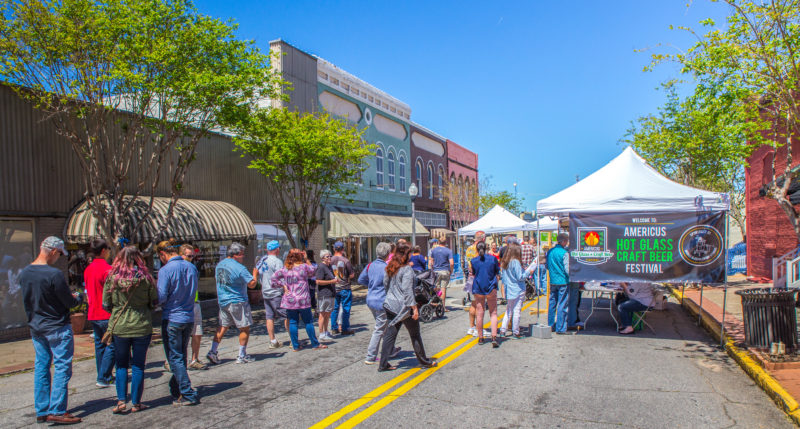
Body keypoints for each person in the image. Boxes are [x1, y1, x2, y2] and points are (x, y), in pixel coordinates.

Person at [19, 236, 82, 424]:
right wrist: (77, 297)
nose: (59, 258)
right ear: (54, 251)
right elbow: (69, 302)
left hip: (37, 326)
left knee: (42, 366)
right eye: (60, 254)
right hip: (56, 326)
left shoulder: (25, 273)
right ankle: (57, 409)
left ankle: (42, 409)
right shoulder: (53, 274)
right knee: (62, 366)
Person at [103, 246, 158, 414]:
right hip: (141, 325)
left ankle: (121, 401)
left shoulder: (112, 278)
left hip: (120, 327)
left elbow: (106, 304)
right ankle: (136, 402)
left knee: (120, 365)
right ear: (138, 258)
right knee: (138, 365)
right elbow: (154, 301)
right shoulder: (146, 278)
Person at [378, 243, 437, 371]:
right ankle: (423, 361)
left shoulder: (390, 267)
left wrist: (391, 295)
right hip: (404, 306)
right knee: (415, 334)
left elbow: (385, 283)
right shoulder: (407, 270)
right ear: (406, 255)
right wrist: (414, 308)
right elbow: (407, 291)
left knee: (390, 334)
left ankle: (383, 364)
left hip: (390, 304)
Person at [156, 241, 201, 406]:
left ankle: (186, 392)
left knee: (175, 357)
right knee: (180, 355)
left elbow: (161, 296)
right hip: (188, 316)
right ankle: (177, 390)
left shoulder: (165, 270)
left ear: (163, 254)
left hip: (172, 316)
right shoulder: (191, 268)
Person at [207, 243, 256, 364]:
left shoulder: (220, 265)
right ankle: (241, 355)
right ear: (236, 254)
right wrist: (255, 274)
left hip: (223, 300)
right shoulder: (240, 268)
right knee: (244, 327)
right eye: (242, 254)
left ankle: (213, 351)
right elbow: (252, 284)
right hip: (237, 300)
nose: (243, 256)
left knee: (223, 326)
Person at [271, 249, 327, 351]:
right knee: (308, 322)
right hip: (303, 300)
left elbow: (273, 280)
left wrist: (283, 285)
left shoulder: (285, 269)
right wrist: (307, 259)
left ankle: (295, 346)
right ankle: (315, 344)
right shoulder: (304, 267)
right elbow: (314, 270)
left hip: (290, 300)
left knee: (293, 322)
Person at [358, 242, 400, 365]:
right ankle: (370, 356)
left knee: (384, 326)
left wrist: (371, 285)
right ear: (388, 254)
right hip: (382, 300)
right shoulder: (387, 268)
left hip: (371, 299)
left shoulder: (370, 265)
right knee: (379, 328)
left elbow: (361, 279)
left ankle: (391, 349)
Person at [83, 238, 114, 388]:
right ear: (103, 251)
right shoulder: (108, 269)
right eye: (108, 249)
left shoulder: (88, 269)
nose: (109, 252)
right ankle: (104, 376)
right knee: (112, 345)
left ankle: (102, 374)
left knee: (100, 345)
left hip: (93, 312)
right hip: (106, 313)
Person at [254, 241, 289, 349]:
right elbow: (281, 277)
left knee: (269, 317)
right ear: (277, 249)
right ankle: (293, 338)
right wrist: (286, 289)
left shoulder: (262, 261)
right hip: (275, 292)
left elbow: (257, 272)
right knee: (287, 315)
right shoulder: (277, 261)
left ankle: (273, 340)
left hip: (266, 292)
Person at [179, 244, 207, 371]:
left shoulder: (193, 267)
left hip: (195, 303)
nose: (191, 258)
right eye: (189, 256)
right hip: (182, 305)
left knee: (197, 332)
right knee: (179, 335)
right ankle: (176, 361)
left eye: (192, 256)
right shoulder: (177, 268)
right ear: (181, 255)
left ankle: (194, 359)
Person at [471, 242, 501, 347]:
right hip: (491, 287)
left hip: (478, 287)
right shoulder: (492, 259)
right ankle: (494, 336)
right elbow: (497, 271)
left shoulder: (473, 261)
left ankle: (480, 338)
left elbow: (473, 273)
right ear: (487, 248)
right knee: (493, 313)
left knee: (480, 313)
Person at [499, 242, 525, 339]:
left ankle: (502, 330)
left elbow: (504, 279)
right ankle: (515, 331)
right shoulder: (516, 262)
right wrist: (528, 272)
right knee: (517, 310)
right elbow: (520, 277)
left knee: (508, 310)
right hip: (518, 288)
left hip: (509, 288)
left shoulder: (505, 262)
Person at [546, 233, 571, 334]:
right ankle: (560, 328)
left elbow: (547, 266)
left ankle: (550, 325)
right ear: (564, 241)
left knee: (552, 303)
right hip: (563, 281)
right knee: (562, 304)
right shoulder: (564, 253)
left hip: (553, 280)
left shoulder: (550, 251)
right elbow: (567, 269)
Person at [330, 241, 355, 335]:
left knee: (334, 309)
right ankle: (345, 328)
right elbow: (351, 274)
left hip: (333, 288)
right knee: (346, 308)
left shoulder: (330, 260)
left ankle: (333, 327)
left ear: (334, 249)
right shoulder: (345, 261)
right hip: (345, 287)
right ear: (343, 249)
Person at [464, 231, 485, 337]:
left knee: (473, 303)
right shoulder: (480, 249)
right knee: (479, 304)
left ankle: (472, 327)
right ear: (483, 238)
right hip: (478, 278)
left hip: (470, 277)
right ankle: (478, 329)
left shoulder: (469, 248)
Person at [315, 250, 337, 340]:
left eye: (330, 256)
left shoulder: (330, 267)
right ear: (322, 258)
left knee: (328, 313)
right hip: (324, 294)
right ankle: (321, 333)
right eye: (327, 256)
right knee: (322, 314)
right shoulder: (321, 267)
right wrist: (331, 281)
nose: (329, 258)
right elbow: (318, 281)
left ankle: (326, 331)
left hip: (331, 293)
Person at [428, 238, 454, 312]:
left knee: (436, 288)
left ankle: (435, 304)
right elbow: (451, 263)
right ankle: (442, 307)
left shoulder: (434, 250)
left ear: (438, 242)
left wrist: (431, 270)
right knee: (443, 289)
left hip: (436, 271)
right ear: (445, 243)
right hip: (445, 270)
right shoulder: (448, 251)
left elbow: (431, 262)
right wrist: (451, 271)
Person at [306, 249, 318, 316]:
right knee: (311, 296)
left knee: (311, 296)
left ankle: (313, 311)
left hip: (310, 280)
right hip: (311, 281)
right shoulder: (313, 263)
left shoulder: (307, 263)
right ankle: (314, 311)